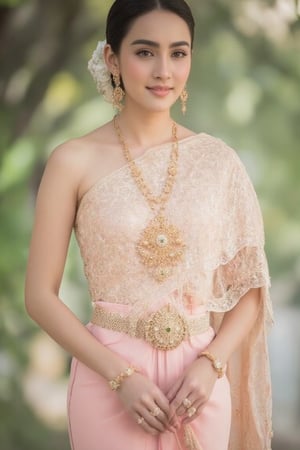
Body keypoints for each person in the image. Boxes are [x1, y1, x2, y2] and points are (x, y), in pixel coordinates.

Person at [25, 1, 273, 449]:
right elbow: (40, 297)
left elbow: (250, 290)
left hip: (198, 387)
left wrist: (211, 364)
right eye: (145, 52)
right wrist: (120, 377)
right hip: (109, 381)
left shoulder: (218, 162)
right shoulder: (72, 161)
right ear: (112, 59)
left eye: (178, 53)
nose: (164, 70)